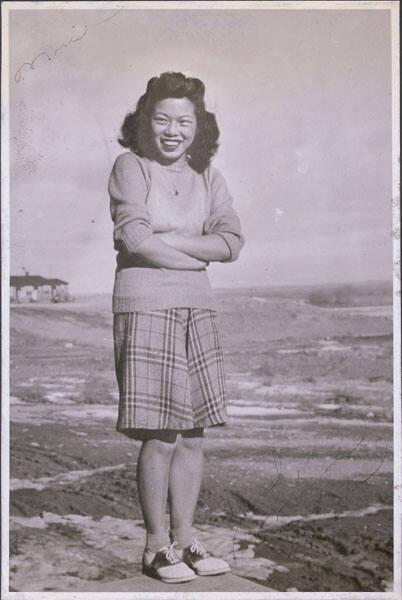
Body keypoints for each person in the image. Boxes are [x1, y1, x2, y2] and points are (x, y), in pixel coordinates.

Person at [109, 71, 244, 584]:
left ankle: (187, 541)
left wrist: (174, 244)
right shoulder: (130, 167)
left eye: (183, 121)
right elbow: (136, 237)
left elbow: (231, 241)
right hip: (145, 306)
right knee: (161, 433)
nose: (172, 130)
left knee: (193, 433)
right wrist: (197, 248)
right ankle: (155, 547)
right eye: (162, 119)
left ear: (198, 126)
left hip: (197, 309)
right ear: (145, 122)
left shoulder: (210, 178)